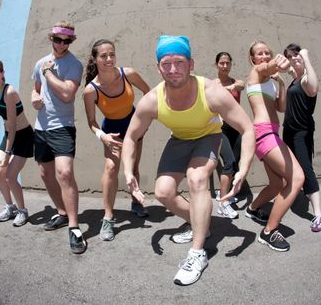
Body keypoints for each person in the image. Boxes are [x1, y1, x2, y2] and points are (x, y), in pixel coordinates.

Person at [121, 36, 254, 286]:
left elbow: (247, 128)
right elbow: (131, 137)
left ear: (191, 64)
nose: (173, 69)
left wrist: (243, 169)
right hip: (180, 139)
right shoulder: (152, 100)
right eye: (166, 63)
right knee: (163, 192)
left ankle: (197, 253)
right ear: (159, 67)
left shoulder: (211, 92)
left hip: (209, 136)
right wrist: (129, 172)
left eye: (179, 62)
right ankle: (199, 223)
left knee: (197, 178)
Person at [83, 39, 151, 241]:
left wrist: (144, 120)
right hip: (111, 131)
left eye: (111, 54)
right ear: (95, 59)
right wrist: (101, 136)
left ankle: (136, 203)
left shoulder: (128, 73)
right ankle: (108, 217)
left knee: (134, 167)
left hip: (133, 126)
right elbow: (91, 122)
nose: (109, 59)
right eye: (103, 56)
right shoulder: (90, 90)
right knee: (111, 169)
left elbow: (149, 94)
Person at [31, 21, 86, 254]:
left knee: (64, 172)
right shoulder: (39, 63)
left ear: (70, 42)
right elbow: (36, 87)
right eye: (57, 39)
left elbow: (66, 94)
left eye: (66, 41)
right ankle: (62, 213)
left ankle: (74, 228)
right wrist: (34, 96)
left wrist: (48, 72)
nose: (61, 44)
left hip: (62, 126)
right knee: (45, 174)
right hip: (41, 128)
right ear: (51, 38)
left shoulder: (74, 64)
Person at [244, 41, 305, 252]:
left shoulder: (269, 83)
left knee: (277, 184)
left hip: (270, 133)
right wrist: (277, 63)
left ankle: (252, 209)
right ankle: (269, 232)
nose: (264, 56)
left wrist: (280, 83)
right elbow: (264, 68)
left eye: (267, 52)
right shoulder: (255, 73)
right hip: (265, 134)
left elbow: (281, 108)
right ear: (253, 59)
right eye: (259, 54)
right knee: (297, 178)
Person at [0, 59, 34, 227]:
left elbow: (13, 125)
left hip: (23, 136)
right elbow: (6, 122)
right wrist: (6, 143)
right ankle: (10, 207)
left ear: (3, 74)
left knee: (10, 176)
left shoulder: (10, 92)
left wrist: (7, 152)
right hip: (9, 135)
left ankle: (22, 211)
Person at [283, 43, 321, 232]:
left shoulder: (307, 78)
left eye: (296, 55)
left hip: (301, 132)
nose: (293, 58)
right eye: (290, 56)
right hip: (288, 131)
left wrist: (305, 57)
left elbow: (313, 89)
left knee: (306, 169)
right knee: (288, 167)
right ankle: (289, 197)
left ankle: (317, 214)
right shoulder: (295, 78)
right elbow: (286, 66)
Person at [213, 52, 246, 219]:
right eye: (222, 63)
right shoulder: (212, 84)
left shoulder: (236, 82)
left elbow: (241, 85)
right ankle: (223, 204)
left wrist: (229, 88)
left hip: (236, 128)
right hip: (220, 129)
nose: (225, 66)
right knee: (229, 161)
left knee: (235, 163)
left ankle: (224, 192)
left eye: (227, 63)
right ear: (216, 65)